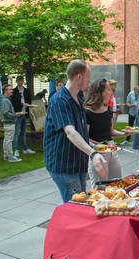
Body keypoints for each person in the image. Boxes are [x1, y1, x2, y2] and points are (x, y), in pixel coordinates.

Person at [44, 60, 106, 203]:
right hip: (63, 164)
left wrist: (94, 146)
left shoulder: (78, 99)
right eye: (88, 77)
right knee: (76, 206)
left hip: (77, 162)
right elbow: (70, 132)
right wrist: (93, 153)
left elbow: (81, 132)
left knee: (81, 202)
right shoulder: (60, 100)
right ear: (79, 76)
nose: (89, 81)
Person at [84, 78, 130, 188]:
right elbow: (85, 137)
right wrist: (100, 146)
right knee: (101, 188)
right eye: (108, 90)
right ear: (99, 92)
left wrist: (124, 134)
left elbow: (110, 131)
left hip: (112, 150)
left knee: (117, 184)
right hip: (97, 152)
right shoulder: (87, 112)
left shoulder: (107, 109)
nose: (111, 92)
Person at [10, 75, 35, 157]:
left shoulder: (27, 91)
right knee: (16, 132)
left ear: (23, 81)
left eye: (21, 80)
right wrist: (22, 104)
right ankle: (16, 149)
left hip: (25, 113)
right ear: (16, 81)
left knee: (24, 132)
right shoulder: (13, 91)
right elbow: (13, 104)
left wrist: (29, 106)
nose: (20, 82)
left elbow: (29, 101)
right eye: (18, 80)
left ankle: (25, 148)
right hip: (18, 113)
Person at [0, 84, 23, 163]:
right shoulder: (5, 100)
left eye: (12, 89)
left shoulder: (5, 100)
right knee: (9, 139)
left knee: (6, 139)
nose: (12, 91)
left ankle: (6, 155)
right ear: (5, 91)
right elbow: (6, 112)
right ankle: (10, 156)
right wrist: (15, 115)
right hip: (9, 122)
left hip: (8, 122)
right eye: (10, 89)